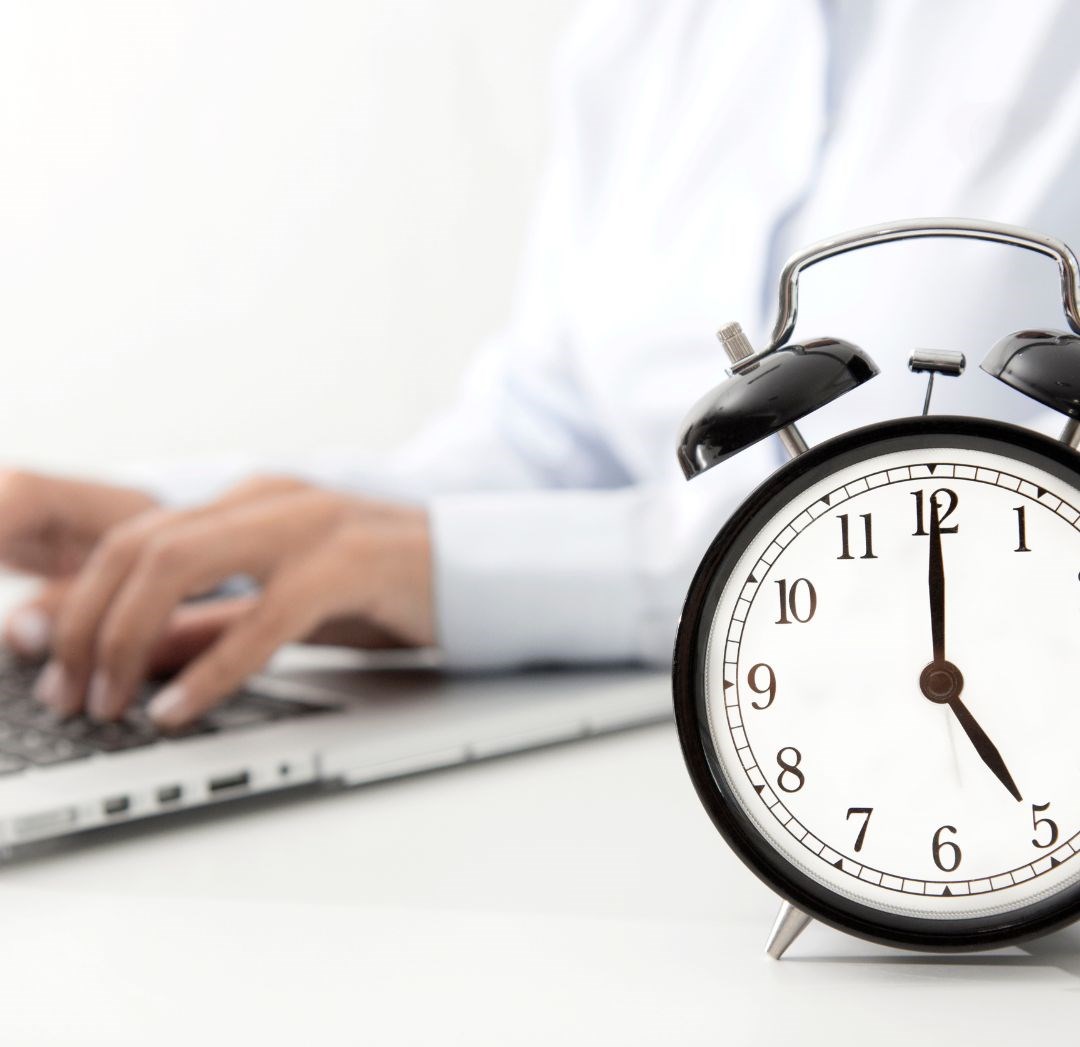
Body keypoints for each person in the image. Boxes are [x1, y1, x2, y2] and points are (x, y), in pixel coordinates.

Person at [6, 0, 1079, 729]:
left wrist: (452, 570)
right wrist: (181, 529)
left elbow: (969, 522)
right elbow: (553, 434)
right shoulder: (650, 28)